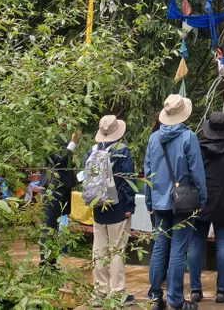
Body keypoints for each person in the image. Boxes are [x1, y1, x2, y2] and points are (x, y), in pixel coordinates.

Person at [145, 94, 207, 310]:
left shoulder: (153, 138)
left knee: (159, 248)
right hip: (184, 201)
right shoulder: (189, 137)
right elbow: (197, 171)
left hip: (159, 201)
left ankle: (155, 298)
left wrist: (149, 202)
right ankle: (175, 300)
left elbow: (148, 173)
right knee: (179, 250)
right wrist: (202, 198)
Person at [188, 111, 224, 304]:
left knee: (196, 244)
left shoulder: (198, 149)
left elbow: (191, 175)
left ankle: (195, 290)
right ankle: (221, 291)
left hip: (200, 202)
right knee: (223, 245)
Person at [82, 115, 136, 307]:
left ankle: (99, 292)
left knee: (99, 251)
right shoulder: (121, 151)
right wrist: (129, 206)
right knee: (117, 251)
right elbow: (127, 180)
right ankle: (117, 293)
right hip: (118, 209)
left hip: (98, 208)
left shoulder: (92, 151)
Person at [39, 128, 80, 269]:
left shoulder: (59, 138)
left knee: (55, 227)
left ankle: (52, 262)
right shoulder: (49, 138)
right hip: (53, 189)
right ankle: (45, 264)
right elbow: (60, 160)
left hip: (61, 188)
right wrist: (72, 144)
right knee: (48, 226)